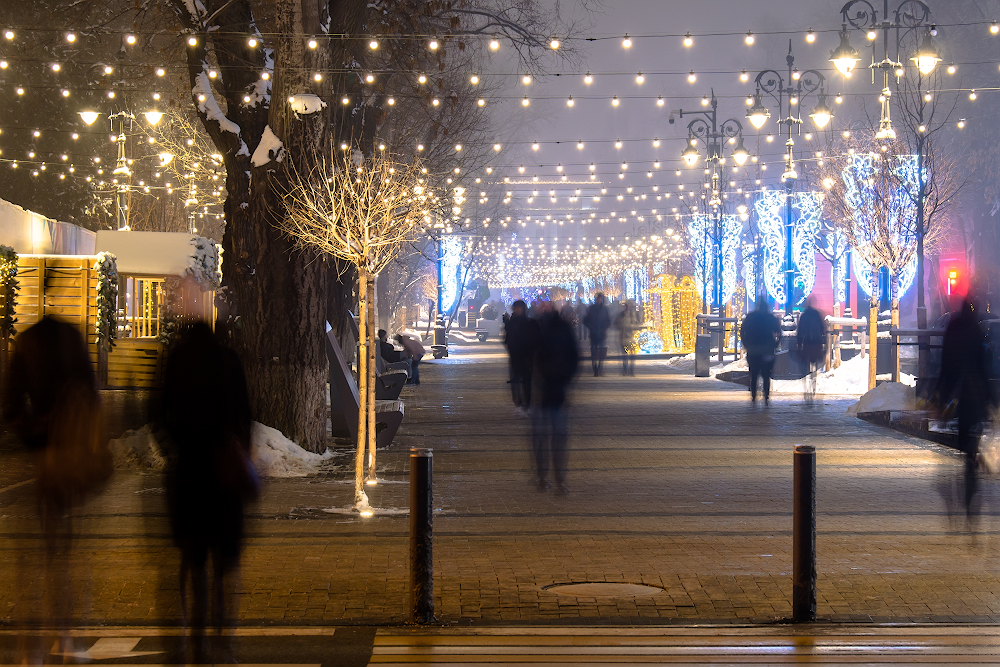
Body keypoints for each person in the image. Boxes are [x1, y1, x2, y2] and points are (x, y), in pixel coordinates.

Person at [3, 316, 111, 659]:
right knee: (64, 551)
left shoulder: (27, 341)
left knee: (35, 554)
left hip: (45, 459)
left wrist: (35, 436)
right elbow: (91, 395)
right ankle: (62, 635)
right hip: (72, 457)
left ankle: (29, 643)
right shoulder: (71, 338)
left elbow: (11, 405)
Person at [162, 322, 256, 662]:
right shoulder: (229, 361)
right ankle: (223, 637)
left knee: (194, 557)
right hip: (225, 475)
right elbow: (246, 417)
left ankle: (197, 641)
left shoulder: (177, 360)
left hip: (191, 472)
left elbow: (158, 415)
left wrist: (178, 446)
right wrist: (241, 452)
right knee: (223, 563)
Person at [936, 299, 996, 522]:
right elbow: (984, 366)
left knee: (965, 448)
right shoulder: (976, 331)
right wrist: (992, 401)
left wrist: (941, 396)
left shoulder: (953, 328)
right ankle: (972, 485)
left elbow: (946, 365)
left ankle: (967, 488)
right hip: (976, 398)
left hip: (960, 398)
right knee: (971, 447)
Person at [532, 301, 579, 493]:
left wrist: (565, 378)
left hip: (554, 388)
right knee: (548, 436)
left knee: (552, 435)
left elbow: (574, 356)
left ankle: (555, 478)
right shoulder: (537, 327)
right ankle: (546, 477)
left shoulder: (554, 328)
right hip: (547, 389)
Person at [741, 298, 781, 406]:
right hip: (767, 350)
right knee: (766, 375)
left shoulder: (751, 317)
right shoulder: (770, 318)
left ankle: (754, 397)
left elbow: (742, 331)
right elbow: (779, 332)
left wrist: (746, 344)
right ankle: (766, 397)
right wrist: (775, 344)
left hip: (753, 350)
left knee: (753, 375)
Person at [503, 300, 539, 415]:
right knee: (516, 380)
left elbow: (535, 339)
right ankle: (518, 403)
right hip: (515, 355)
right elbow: (507, 338)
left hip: (527, 356)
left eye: (520, 308)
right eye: (516, 308)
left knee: (527, 380)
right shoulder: (512, 322)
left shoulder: (529, 323)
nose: (518, 310)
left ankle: (526, 404)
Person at [796, 298, 827, 404]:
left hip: (806, 344)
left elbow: (800, 332)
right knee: (815, 366)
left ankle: (807, 392)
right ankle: (812, 387)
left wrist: (799, 345)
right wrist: (824, 343)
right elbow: (823, 330)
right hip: (816, 343)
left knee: (805, 367)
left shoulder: (804, 316)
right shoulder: (817, 315)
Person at [583, 292, 611, 376]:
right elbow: (585, 320)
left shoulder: (605, 309)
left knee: (601, 352)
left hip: (601, 334)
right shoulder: (591, 308)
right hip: (594, 334)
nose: (599, 300)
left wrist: (604, 328)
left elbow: (608, 321)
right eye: (598, 298)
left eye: (600, 298)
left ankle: (600, 368)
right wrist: (591, 327)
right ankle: (595, 369)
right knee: (593, 352)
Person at [617, 299, 642, 376]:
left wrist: (631, 327)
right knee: (625, 355)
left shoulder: (635, 315)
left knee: (632, 355)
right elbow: (617, 324)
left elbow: (638, 325)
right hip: (624, 338)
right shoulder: (622, 315)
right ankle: (625, 370)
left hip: (632, 337)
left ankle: (631, 370)